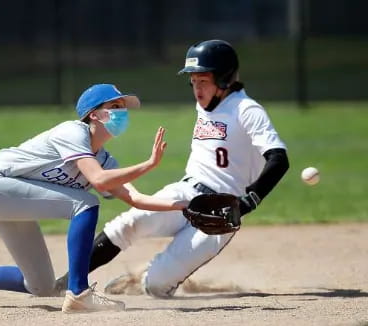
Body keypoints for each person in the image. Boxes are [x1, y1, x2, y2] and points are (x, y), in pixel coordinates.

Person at [55, 40, 290, 298]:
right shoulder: (206, 103)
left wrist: (248, 201)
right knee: (128, 223)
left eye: (203, 80)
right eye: (193, 81)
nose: (196, 88)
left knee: (156, 286)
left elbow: (279, 159)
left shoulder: (247, 110)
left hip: (221, 211)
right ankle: (67, 282)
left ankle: (142, 279)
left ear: (223, 79)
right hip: (185, 190)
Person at [0, 83, 188, 313]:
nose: (123, 112)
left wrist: (184, 207)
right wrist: (149, 165)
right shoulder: (73, 132)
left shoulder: (106, 161)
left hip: (12, 198)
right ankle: (79, 293)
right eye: (115, 106)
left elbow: (136, 199)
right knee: (85, 202)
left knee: (41, 285)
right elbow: (97, 180)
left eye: (124, 107)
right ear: (93, 114)